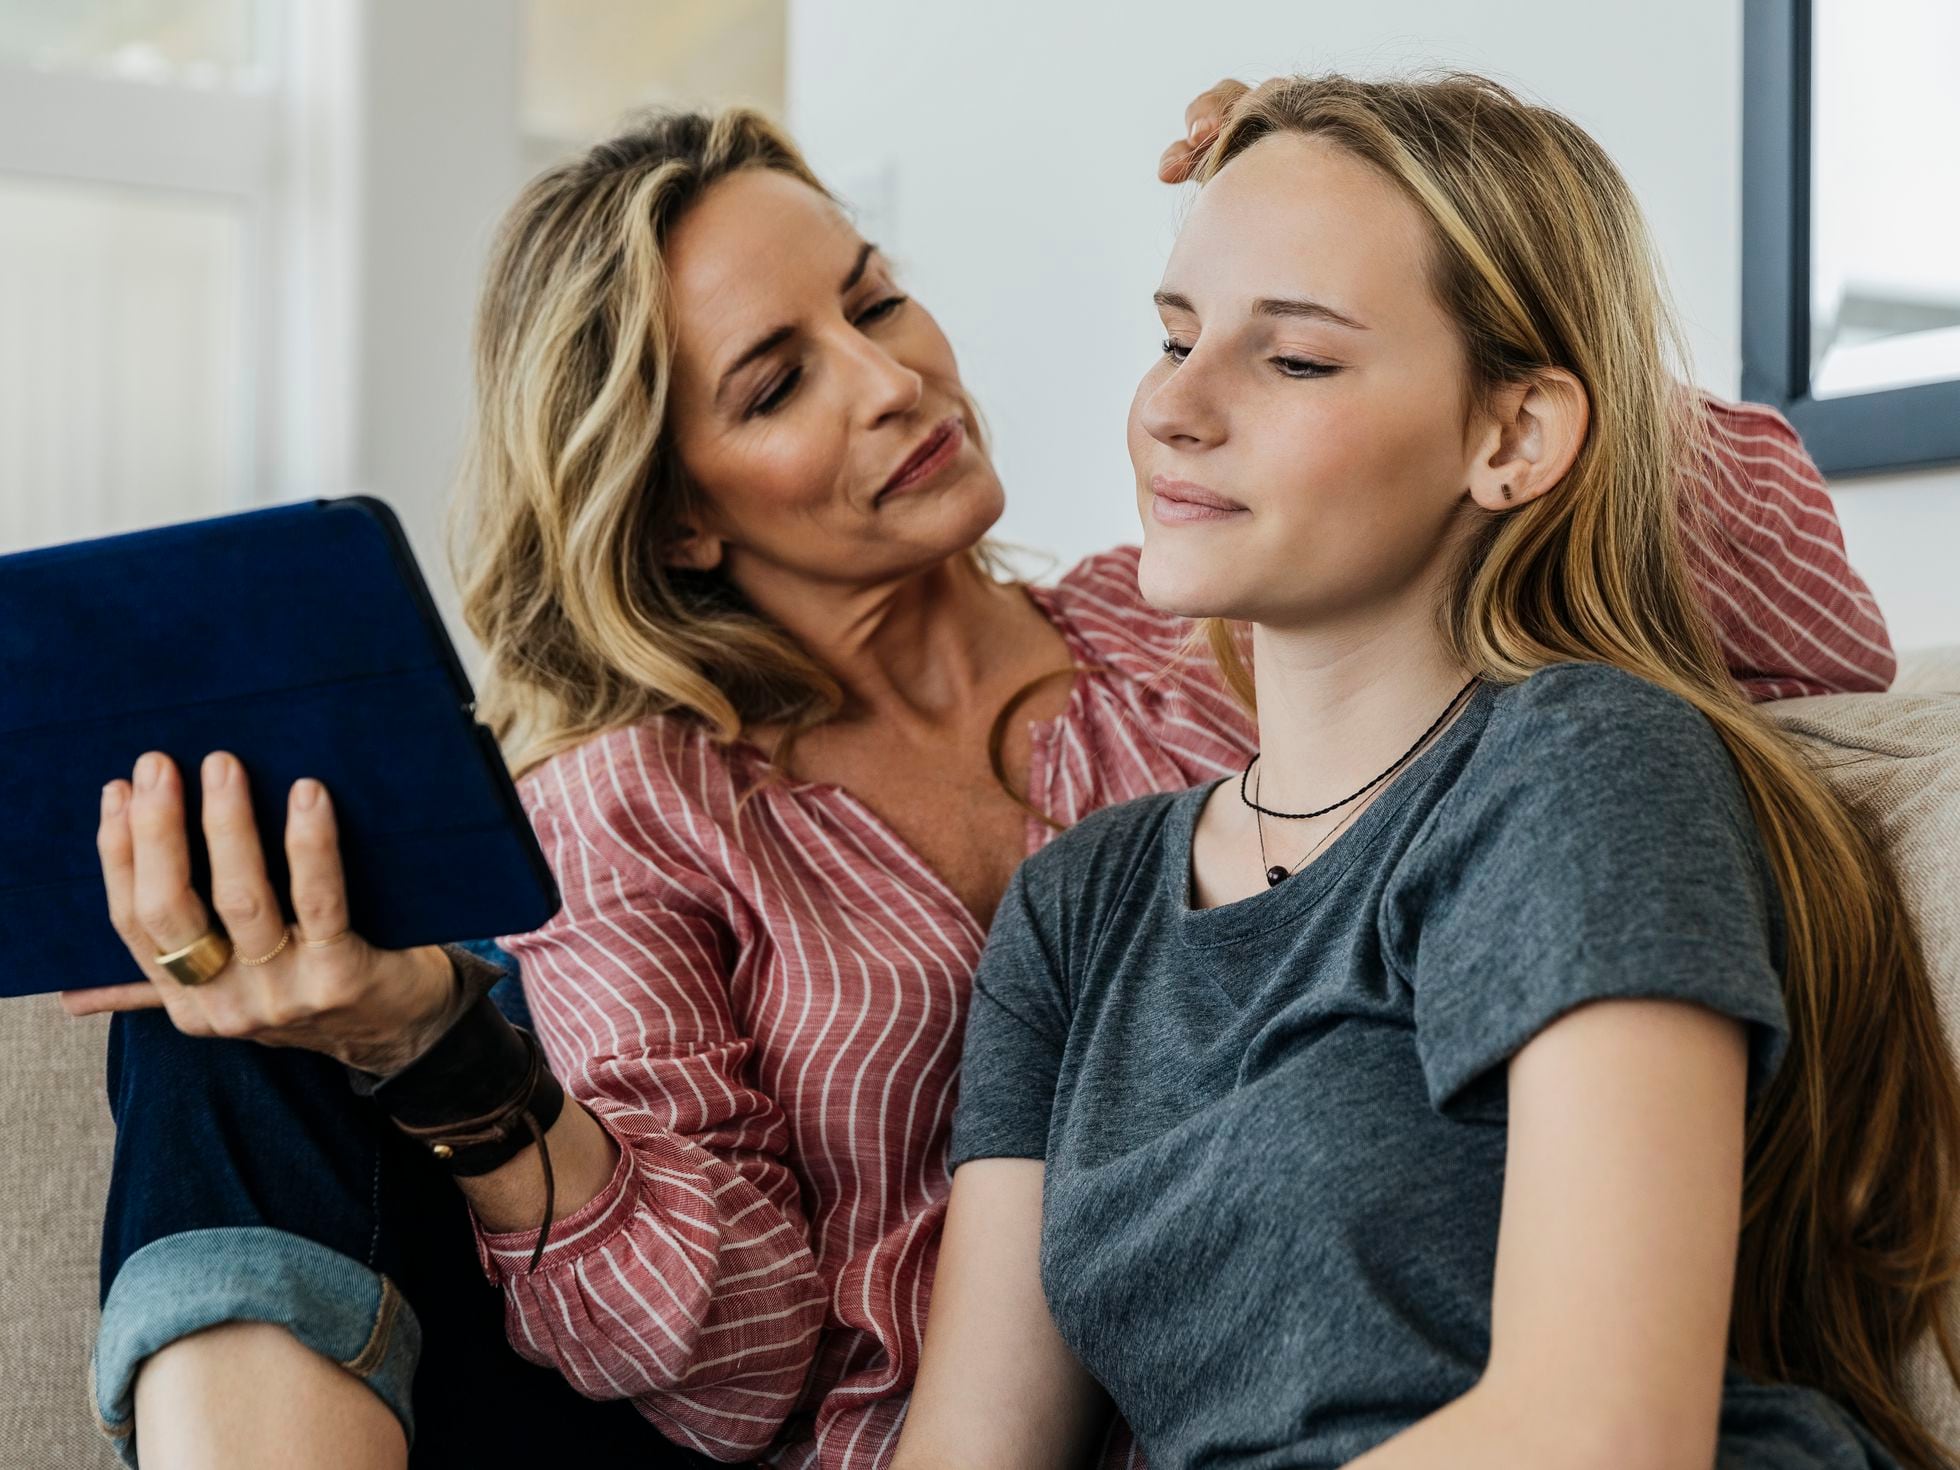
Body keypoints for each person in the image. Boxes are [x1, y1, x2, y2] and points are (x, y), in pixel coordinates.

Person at [69, 84, 1902, 1470]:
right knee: (225, 1033)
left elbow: (1762, 603)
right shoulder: (665, 810)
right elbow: (748, 1360)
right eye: (781, 381)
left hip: (1261, 1391)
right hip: (834, 1426)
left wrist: (1377, 203)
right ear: (682, 515)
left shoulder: (1212, 628)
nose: (890, 379)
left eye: (878, 299)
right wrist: (443, 1064)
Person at [894, 73, 1960, 1470]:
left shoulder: (1583, 763)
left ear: (1512, 437)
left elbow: (1601, 1430)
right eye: (1172, 338)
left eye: (1296, 359)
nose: (1173, 412)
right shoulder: (1075, 910)